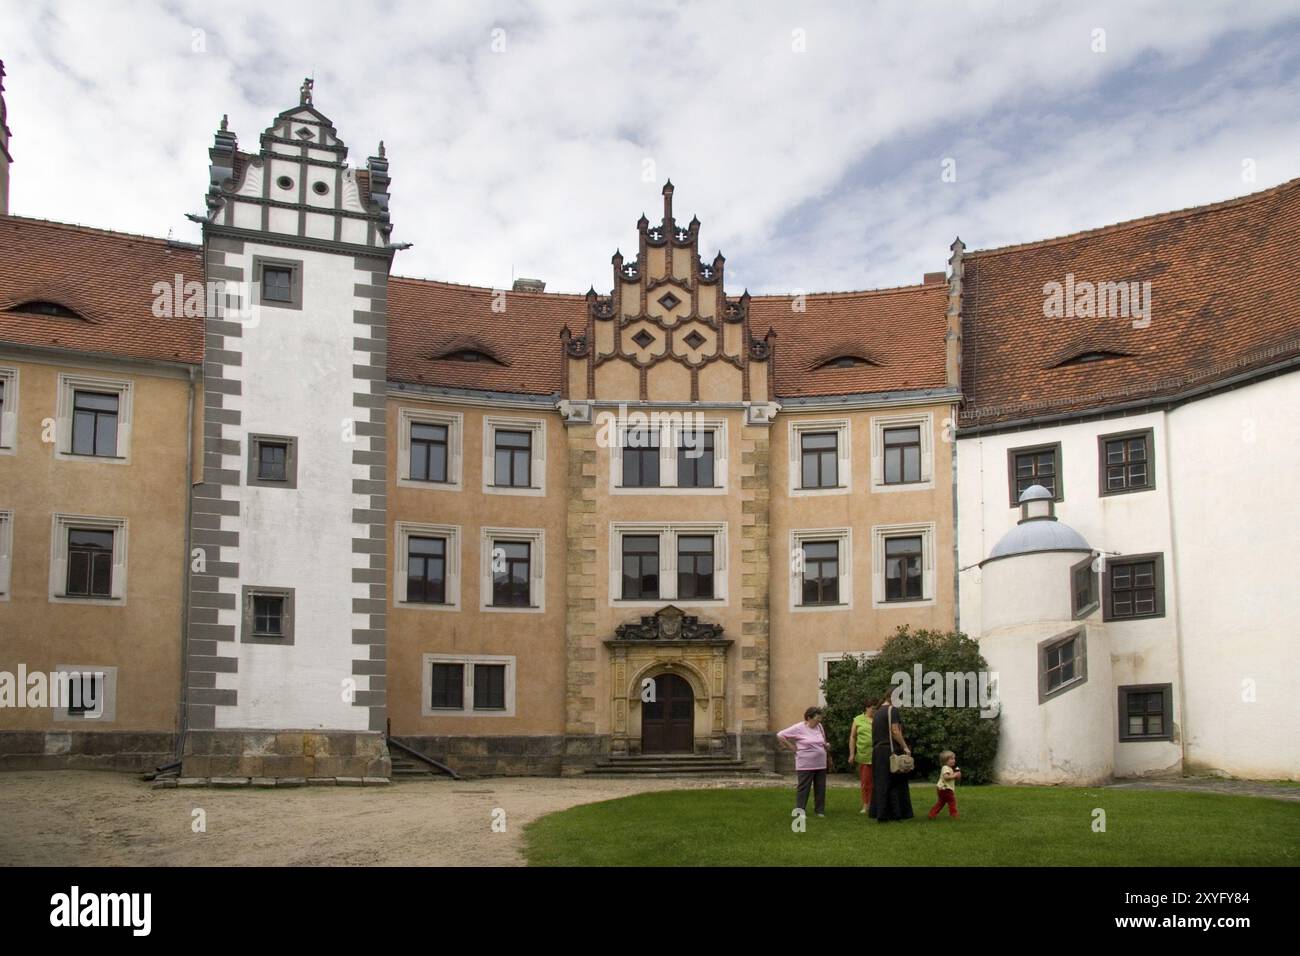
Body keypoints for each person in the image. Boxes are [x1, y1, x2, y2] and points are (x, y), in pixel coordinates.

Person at [777, 706, 832, 817]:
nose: (819, 721)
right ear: (809, 718)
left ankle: (820, 811)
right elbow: (780, 735)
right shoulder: (799, 728)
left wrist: (826, 746)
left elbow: (823, 741)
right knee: (804, 788)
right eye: (817, 718)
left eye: (820, 718)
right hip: (805, 764)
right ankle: (800, 810)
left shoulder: (820, 727)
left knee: (820, 788)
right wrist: (791, 747)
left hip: (820, 763)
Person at [868, 694, 914, 822]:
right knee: (895, 782)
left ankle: (881, 813)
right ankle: (896, 813)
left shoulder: (877, 713)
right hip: (889, 750)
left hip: (878, 751)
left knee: (881, 782)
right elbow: (894, 730)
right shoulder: (892, 710)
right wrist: (905, 746)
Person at [848, 697, 876, 814]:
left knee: (879, 782)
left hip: (879, 755)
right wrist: (852, 754)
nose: (874, 711)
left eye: (876, 709)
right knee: (866, 783)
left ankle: (877, 804)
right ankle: (866, 805)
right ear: (866, 708)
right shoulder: (858, 720)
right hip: (864, 756)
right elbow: (853, 737)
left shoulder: (879, 719)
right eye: (872, 709)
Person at [928, 750, 961, 820]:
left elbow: (951, 778)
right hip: (946, 789)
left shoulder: (949, 768)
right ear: (946, 761)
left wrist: (957, 776)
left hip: (942, 789)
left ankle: (932, 814)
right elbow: (946, 777)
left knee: (941, 802)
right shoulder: (945, 767)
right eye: (951, 759)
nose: (954, 760)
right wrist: (955, 775)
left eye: (954, 758)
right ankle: (954, 815)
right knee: (952, 801)